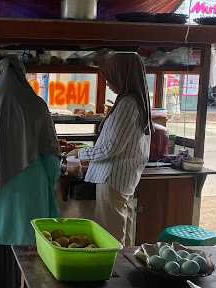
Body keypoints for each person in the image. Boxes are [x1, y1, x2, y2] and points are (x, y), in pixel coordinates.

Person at [0, 56, 61, 288]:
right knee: (31, 272)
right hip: (30, 207)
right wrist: (48, 186)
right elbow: (52, 162)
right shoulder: (37, 107)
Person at [77, 52, 152, 246]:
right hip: (120, 179)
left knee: (110, 239)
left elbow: (110, 148)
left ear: (123, 75)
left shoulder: (128, 104)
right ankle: (124, 273)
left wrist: (80, 154)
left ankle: (114, 275)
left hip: (113, 180)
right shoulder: (134, 101)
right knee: (121, 235)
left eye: (111, 77)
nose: (108, 83)